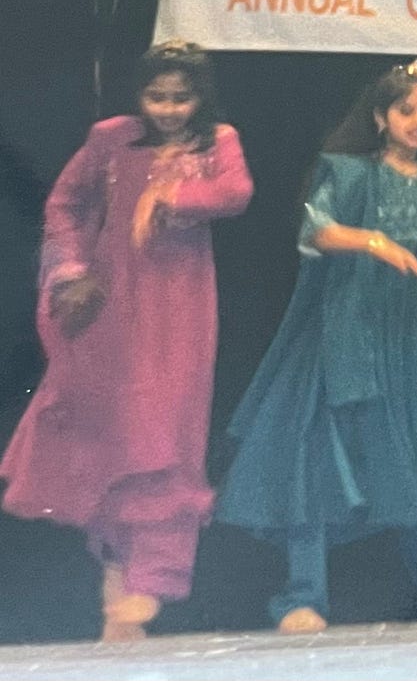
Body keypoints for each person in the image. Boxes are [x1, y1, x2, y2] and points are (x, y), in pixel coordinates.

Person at [215, 61, 417, 633]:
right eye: (406, 111)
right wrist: (373, 240)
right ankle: (302, 596)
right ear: (381, 117)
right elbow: (315, 231)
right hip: (347, 333)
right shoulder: (348, 174)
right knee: (319, 459)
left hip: (410, 341)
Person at [0, 41, 253, 641]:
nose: (168, 108)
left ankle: (155, 574)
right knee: (114, 434)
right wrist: (69, 272)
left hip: (180, 315)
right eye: (156, 95)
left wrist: (170, 196)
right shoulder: (111, 139)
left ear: (201, 97)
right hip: (110, 310)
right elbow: (63, 204)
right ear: (138, 94)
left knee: (167, 435)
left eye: (181, 96)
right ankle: (117, 569)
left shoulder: (217, 142)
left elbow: (236, 193)